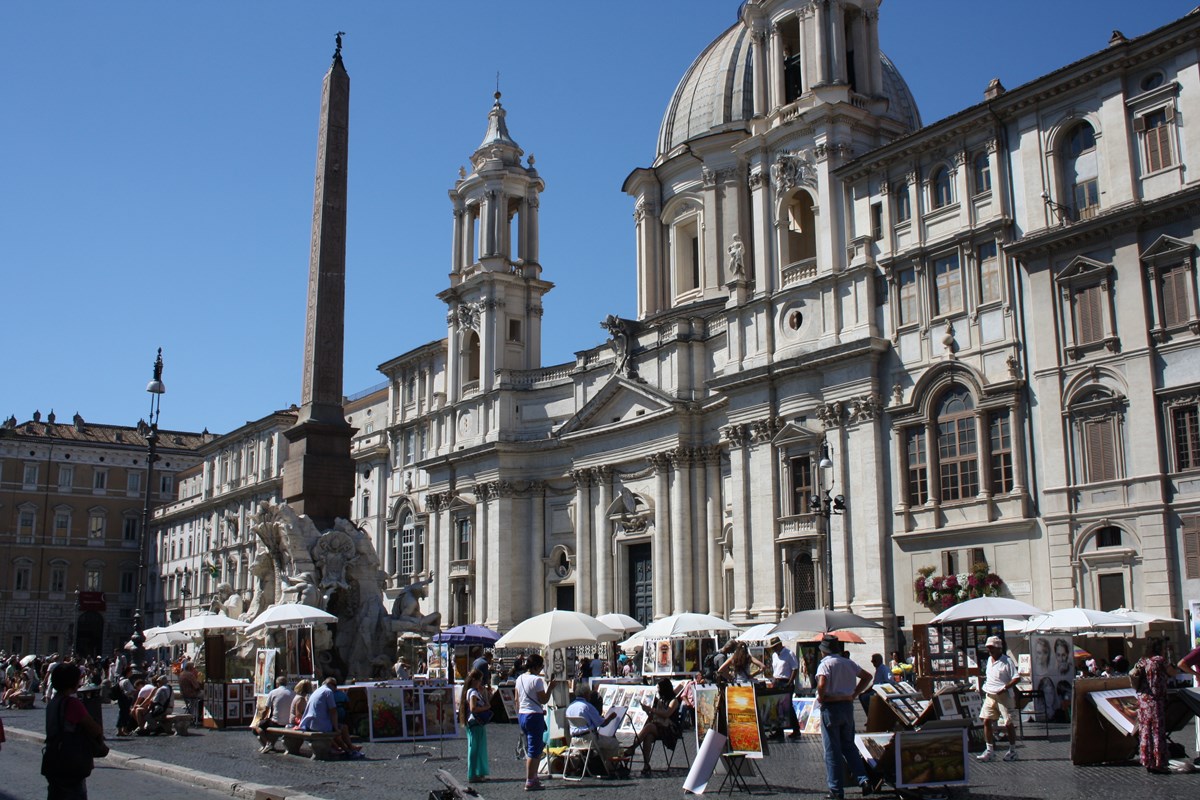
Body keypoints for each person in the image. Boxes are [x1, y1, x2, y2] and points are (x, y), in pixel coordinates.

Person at [815, 635, 873, 799]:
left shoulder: (825, 664)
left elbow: (821, 683)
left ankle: (836, 790)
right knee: (849, 746)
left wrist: (822, 696)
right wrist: (854, 693)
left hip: (831, 708)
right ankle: (864, 780)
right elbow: (867, 677)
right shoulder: (849, 663)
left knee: (832, 750)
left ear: (824, 651)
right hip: (847, 707)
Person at [43, 662, 106, 800]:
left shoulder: (53, 703)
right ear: (72, 681)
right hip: (69, 761)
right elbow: (94, 728)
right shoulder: (72, 703)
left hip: (52, 758)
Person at [1129, 639, 1179, 773]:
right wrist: (1171, 655)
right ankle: (1159, 762)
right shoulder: (1160, 660)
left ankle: (1148, 761)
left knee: (1145, 731)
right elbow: (1173, 672)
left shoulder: (1143, 660)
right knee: (1157, 731)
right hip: (1156, 700)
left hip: (1143, 701)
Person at [514, 653, 556, 791]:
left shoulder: (519, 678)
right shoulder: (537, 681)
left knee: (531, 747)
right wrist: (550, 687)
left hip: (522, 715)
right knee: (535, 750)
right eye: (542, 666)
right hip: (534, 716)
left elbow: (516, 700)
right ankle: (530, 780)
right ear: (537, 666)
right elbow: (543, 699)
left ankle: (533, 777)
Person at [625, 678, 683, 776]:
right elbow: (654, 717)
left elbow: (666, 714)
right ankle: (646, 765)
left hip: (670, 729)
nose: (658, 690)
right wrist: (647, 711)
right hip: (660, 727)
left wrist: (651, 709)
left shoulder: (674, 701)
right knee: (648, 737)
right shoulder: (660, 700)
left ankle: (632, 747)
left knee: (649, 727)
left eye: (659, 688)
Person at [977, 635, 1019, 763]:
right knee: (986, 720)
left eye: (992, 648)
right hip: (990, 694)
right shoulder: (990, 660)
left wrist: (1005, 688)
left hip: (1004, 696)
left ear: (999, 648)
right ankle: (989, 750)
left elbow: (1017, 677)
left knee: (1008, 723)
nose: (990, 650)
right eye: (988, 648)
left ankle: (1012, 750)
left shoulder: (1007, 661)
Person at [566, 687, 620, 766]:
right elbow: (602, 724)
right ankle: (610, 767)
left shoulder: (570, 707)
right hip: (589, 740)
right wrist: (610, 717)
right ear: (586, 694)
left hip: (574, 740)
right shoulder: (587, 706)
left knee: (603, 742)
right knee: (614, 743)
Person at [460, 668, 492, 783]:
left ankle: (476, 773)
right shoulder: (473, 692)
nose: (481, 683)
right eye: (480, 680)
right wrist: (486, 708)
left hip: (473, 723)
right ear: (475, 680)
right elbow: (473, 708)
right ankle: (473, 774)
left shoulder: (470, 691)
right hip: (476, 722)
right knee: (475, 748)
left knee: (476, 748)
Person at [766, 636, 800, 740]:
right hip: (777, 681)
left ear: (780, 644)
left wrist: (790, 682)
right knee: (776, 707)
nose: (774, 649)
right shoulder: (774, 655)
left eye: (775, 646)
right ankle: (779, 731)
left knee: (787, 706)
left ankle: (796, 730)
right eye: (773, 647)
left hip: (786, 682)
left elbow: (795, 668)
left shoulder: (789, 654)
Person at [255, 678, 295, 753]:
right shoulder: (292, 693)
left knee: (257, 726)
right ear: (286, 683)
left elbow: (266, 709)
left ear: (277, 684)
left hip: (276, 722)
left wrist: (261, 719)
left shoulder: (273, 692)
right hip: (289, 722)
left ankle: (267, 743)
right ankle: (268, 744)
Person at [862, 653, 891, 718]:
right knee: (864, 696)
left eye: (873, 661)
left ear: (878, 661)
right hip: (881, 690)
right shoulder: (882, 668)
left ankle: (871, 717)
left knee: (864, 697)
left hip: (882, 691)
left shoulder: (882, 669)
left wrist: (865, 692)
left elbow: (876, 685)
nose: (872, 663)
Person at [177, 660, 203, 726]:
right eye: (193, 667)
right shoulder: (190, 675)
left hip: (184, 694)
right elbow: (197, 687)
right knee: (207, 696)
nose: (194, 669)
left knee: (201, 698)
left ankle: (196, 715)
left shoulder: (181, 674)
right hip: (192, 694)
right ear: (190, 668)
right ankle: (199, 716)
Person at [114, 666, 136, 736]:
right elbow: (127, 692)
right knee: (124, 714)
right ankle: (121, 730)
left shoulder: (120, 680)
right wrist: (134, 691)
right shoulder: (126, 681)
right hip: (125, 699)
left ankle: (122, 730)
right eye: (131, 672)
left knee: (123, 714)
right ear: (128, 672)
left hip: (121, 699)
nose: (132, 673)